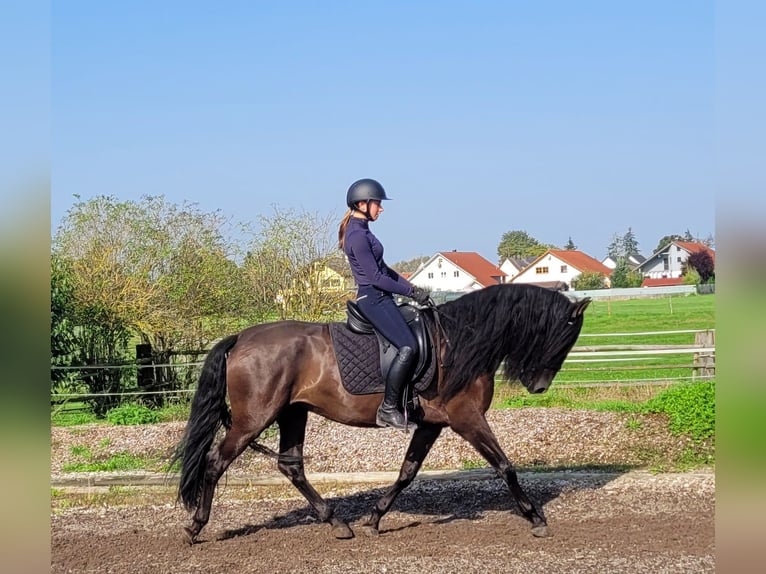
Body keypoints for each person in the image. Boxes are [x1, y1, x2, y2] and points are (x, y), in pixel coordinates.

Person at [338, 178, 430, 430]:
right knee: (408, 347)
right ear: (362, 203)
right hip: (372, 298)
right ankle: (388, 408)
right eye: (377, 203)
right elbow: (376, 279)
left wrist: (414, 288)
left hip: (382, 297)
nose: (381, 208)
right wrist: (410, 292)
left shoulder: (365, 232)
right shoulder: (356, 236)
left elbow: (385, 270)